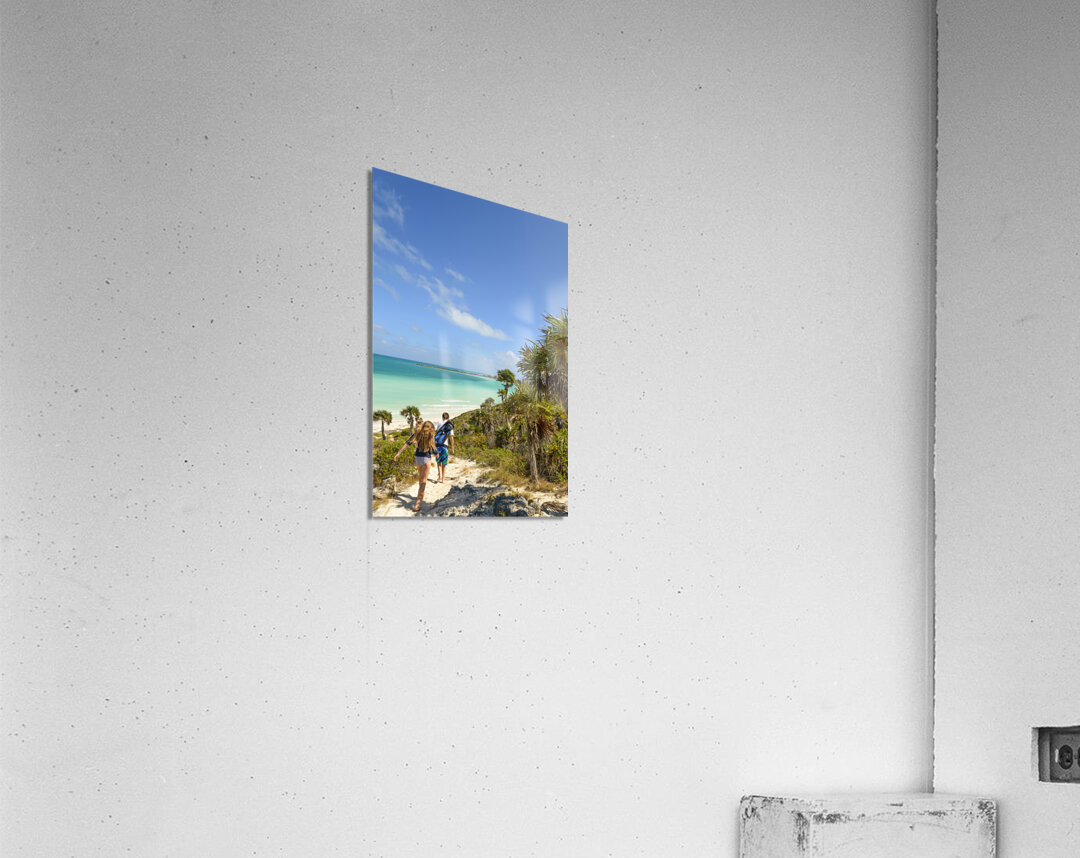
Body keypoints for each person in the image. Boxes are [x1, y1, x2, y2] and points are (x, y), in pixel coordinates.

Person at [393, 420, 436, 512]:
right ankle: (417, 504)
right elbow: (433, 448)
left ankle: (421, 493)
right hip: (426, 458)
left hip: (417, 458)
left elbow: (407, 442)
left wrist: (398, 453)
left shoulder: (418, 433)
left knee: (420, 478)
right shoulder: (430, 435)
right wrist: (437, 454)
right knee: (423, 482)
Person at [433, 412, 455, 484]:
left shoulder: (438, 422)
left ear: (442, 417)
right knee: (444, 463)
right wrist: (452, 448)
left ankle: (439, 477)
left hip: (438, 445)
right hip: (445, 446)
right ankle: (443, 479)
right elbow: (451, 438)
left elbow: (433, 430)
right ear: (448, 418)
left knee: (438, 462)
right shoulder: (449, 425)